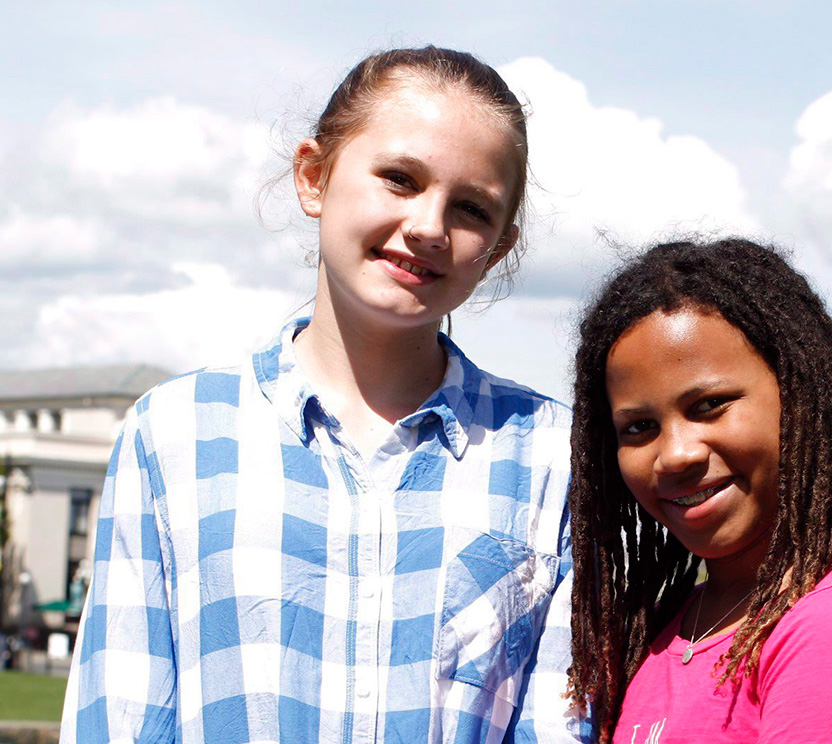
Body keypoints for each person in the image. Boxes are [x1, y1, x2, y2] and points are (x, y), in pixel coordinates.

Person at [60, 46, 587, 744]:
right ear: (314, 176)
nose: (430, 226)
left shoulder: (554, 455)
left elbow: (556, 726)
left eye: (470, 208)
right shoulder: (174, 435)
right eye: (399, 179)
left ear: (497, 248)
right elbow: (119, 720)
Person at [566, 238, 832, 743]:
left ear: (799, 399)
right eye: (639, 428)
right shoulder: (670, 628)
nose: (676, 453)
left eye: (709, 405)